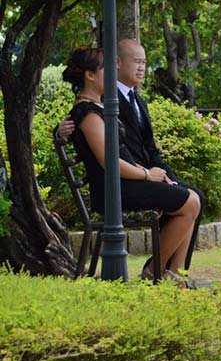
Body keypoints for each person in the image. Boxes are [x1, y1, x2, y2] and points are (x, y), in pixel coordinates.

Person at [58, 39, 206, 274]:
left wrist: (157, 174)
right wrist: (148, 174)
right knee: (189, 202)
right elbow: (109, 161)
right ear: (90, 76)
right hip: (114, 189)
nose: (112, 74)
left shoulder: (97, 108)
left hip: (125, 182)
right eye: (106, 69)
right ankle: (155, 272)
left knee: (191, 198)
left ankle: (174, 273)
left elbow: (125, 153)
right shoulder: (87, 113)